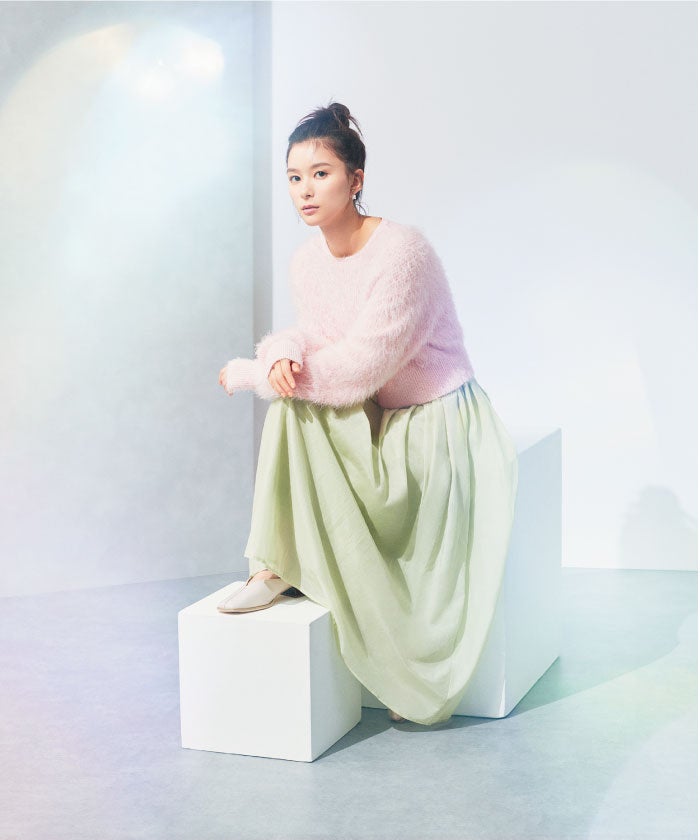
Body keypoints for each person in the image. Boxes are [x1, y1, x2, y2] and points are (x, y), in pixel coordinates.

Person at [216, 102, 518, 726]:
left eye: (321, 174)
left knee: (291, 398)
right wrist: (280, 353)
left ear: (355, 180)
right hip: (376, 413)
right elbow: (317, 337)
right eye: (294, 177)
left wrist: (252, 374)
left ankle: (295, 573)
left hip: (435, 419)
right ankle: (273, 565)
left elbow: (357, 367)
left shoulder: (404, 253)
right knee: (292, 401)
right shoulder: (307, 261)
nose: (305, 190)